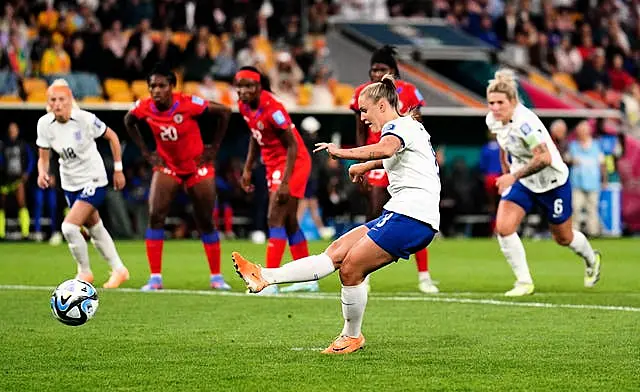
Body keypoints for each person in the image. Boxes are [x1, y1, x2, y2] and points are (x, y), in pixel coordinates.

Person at [233, 74, 440, 354]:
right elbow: (395, 154)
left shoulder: (397, 127)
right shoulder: (407, 127)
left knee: (352, 267)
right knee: (337, 251)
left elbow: (386, 148)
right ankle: (265, 276)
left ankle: (351, 336)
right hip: (403, 212)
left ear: (381, 105)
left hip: (413, 216)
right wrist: (365, 168)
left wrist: (341, 153)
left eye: (364, 110)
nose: (363, 117)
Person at [486, 69, 601, 297]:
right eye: (491, 102)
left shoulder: (525, 124)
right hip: (524, 182)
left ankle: (591, 258)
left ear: (513, 101)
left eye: (500, 102)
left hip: (553, 183)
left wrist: (512, 176)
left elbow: (544, 158)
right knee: (504, 227)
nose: (495, 107)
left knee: (563, 237)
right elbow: (503, 141)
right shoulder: (493, 119)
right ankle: (524, 282)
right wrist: (506, 168)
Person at [124, 62, 232, 291]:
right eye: (152, 86)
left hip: (196, 166)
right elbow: (128, 120)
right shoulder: (143, 107)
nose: (156, 91)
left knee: (205, 220)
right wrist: (146, 152)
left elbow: (224, 112)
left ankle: (216, 277)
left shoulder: (188, 104)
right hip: (168, 167)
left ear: (172, 86)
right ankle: (155, 278)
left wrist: (213, 149)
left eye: (161, 86)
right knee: (155, 216)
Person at [349, 45, 437, 294]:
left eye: (382, 69)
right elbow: (359, 128)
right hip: (377, 155)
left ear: (393, 71)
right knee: (375, 207)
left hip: (402, 154)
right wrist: (363, 160)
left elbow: (418, 120)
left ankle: (424, 275)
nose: (377, 73)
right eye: (374, 69)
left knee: (414, 215)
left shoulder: (408, 91)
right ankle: (363, 269)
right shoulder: (363, 93)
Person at [36, 79, 130, 288]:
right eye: (53, 100)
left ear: (70, 100)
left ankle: (84, 273)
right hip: (70, 183)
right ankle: (119, 269)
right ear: (48, 102)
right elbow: (43, 156)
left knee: (69, 227)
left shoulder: (85, 119)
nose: (57, 104)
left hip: (94, 179)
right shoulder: (44, 124)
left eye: (62, 99)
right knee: (95, 228)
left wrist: (118, 169)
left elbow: (113, 137)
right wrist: (42, 172)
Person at [235, 66, 313, 294]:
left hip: (293, 163)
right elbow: (254, 135)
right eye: (240, 86)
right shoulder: (244, 106)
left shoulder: (273, 108)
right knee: (290, 223)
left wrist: (286, 181)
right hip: (273, 165)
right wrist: (248, 167)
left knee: (274, 218)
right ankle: (308, 279)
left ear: (259, 87)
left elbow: (292, 144)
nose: (244, 90)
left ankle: (268, 281)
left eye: (249, 86)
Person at [566, 120, 607, 236]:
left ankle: (593, 232)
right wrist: (571, 161)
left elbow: (602, 164)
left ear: (588, 131)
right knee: (575, 208)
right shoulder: (573, 146)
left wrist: (604, 180)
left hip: (593, 182)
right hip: (577, 183)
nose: (582, 132)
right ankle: (574, 233)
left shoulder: (596, 145)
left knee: (592, 209)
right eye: (580, 130)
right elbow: (567, 160)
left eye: (584, 130)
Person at [0, 122, 35, 240]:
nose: (12, 131)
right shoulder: (3, 145)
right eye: (10, 129)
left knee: (22, 203)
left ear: (18, 131)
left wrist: (27, 173)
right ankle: (1, 234)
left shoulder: (23, 145)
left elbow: (31, 160)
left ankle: (25, 233)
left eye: (14, 129)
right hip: (5, 180)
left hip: (18, 179)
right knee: (1, 205)